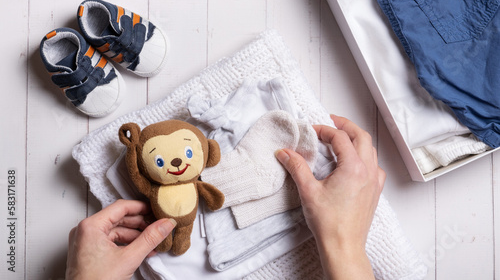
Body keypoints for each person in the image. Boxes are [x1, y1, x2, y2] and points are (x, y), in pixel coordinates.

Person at [66, 115, 385, 280]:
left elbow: (210, 193)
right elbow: (142, 182)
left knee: (180, 235)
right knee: (163, 237)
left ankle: (173, 240)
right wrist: (346, 245)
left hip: (199, 223)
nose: (177, 164)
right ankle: (167, 240)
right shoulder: (152, 184)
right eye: (160, 161)